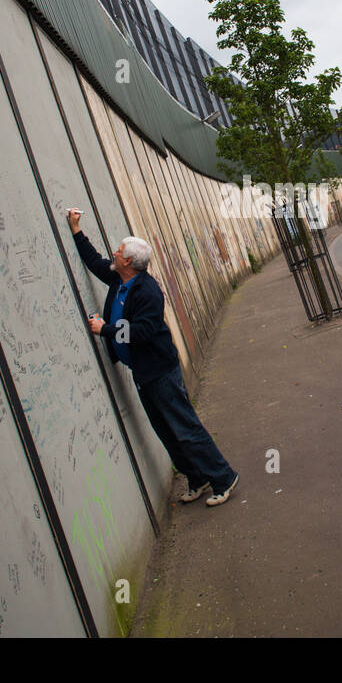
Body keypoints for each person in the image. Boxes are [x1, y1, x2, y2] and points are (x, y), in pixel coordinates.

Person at [66, 209, 239, 506]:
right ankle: (197, 477)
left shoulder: (147, 291)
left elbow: (143, 332)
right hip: (145, 373)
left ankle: (223, 477)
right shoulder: (120, 280)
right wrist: (76, 230)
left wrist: (105, 329)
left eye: (119, 251)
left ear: (128, 261)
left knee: (185, 428)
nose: (115, 253)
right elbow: (95, 263)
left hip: (160, 372)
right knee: (168, 432)